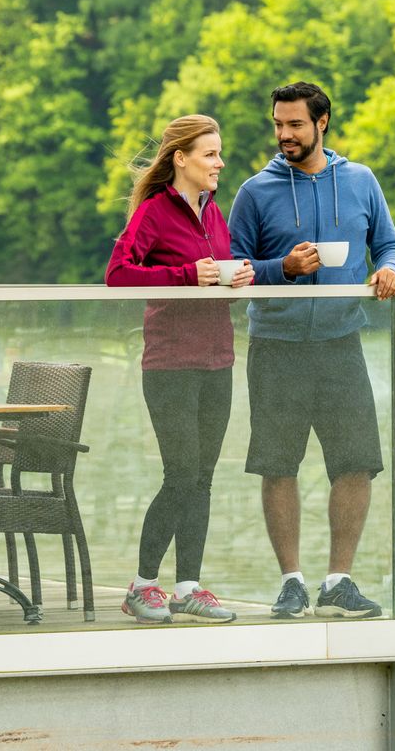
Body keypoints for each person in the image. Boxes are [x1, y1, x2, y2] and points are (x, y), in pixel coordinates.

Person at [229, 81, 395, 620]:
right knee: (278, 465)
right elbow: (233, 269)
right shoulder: (254, 191)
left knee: (356, 463)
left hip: (340, 342)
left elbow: (390, 244)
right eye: (278, 125)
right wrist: (282, 268)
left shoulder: (360, 180)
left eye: (295, 124)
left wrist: (389, 269)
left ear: (322, 122)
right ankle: (292, 583)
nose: (284, 134)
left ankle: (338, 581)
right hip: (276, 345)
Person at [106, 114, 253, 625]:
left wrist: (239, 279)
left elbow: (214, 279)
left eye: (220, 153)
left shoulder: (214, 213)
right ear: (181, 158)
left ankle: (188, 586)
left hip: (218, 359)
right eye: (211, 154)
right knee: (181, 474)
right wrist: (185, 274)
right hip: (170, 363)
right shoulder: (154, 212)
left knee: (203, 478)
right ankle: (142, 586)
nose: (220, 162)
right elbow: (118, 275)